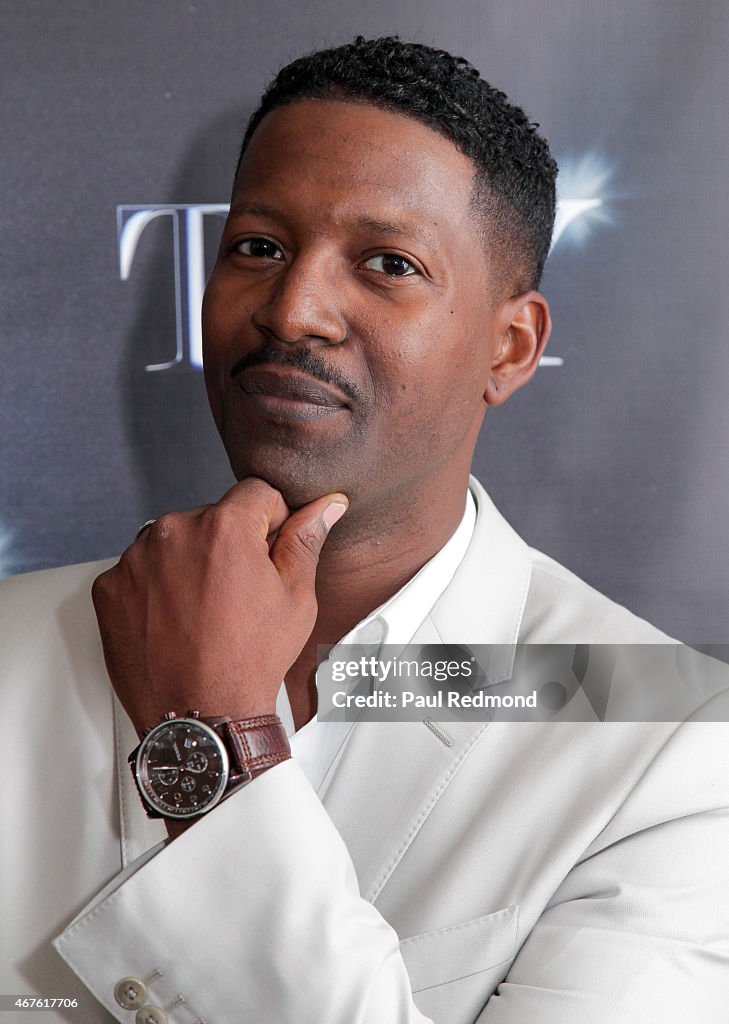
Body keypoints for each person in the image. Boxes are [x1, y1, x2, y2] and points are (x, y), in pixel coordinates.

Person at [2, 36, 728, 1024]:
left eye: (389, 265)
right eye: (258, 247)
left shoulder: (669, 741)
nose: (294, 310)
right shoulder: (12, 640)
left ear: (510, 348)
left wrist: (216, 741)